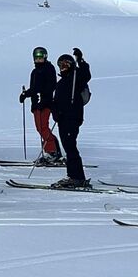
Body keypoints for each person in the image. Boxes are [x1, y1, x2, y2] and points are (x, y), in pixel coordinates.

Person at [50, 48, 91, 188]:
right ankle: (73, 175)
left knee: (71, 148)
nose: (63, 67)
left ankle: (77, 177)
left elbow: (86, 74)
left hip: (72, 118)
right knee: (68, 148)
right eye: (61, 65)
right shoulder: (60, 83)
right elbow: (55, 102)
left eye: (66, 64)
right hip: (62, 120)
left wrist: (80, 60)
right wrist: (55, 114)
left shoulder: (76, 78)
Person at [19, 46, 61, 164]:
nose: (38, 60)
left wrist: (43, 97)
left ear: (45, 57)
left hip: (45, 103)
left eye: (40, 57)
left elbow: (51, 86)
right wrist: (25, 94)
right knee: (40, 128)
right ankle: (50, 151)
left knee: (43, 127)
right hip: (36, 104)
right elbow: (34, 88)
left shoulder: (49, 69)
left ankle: (53, 151)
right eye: (36, 58)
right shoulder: (34, 72)